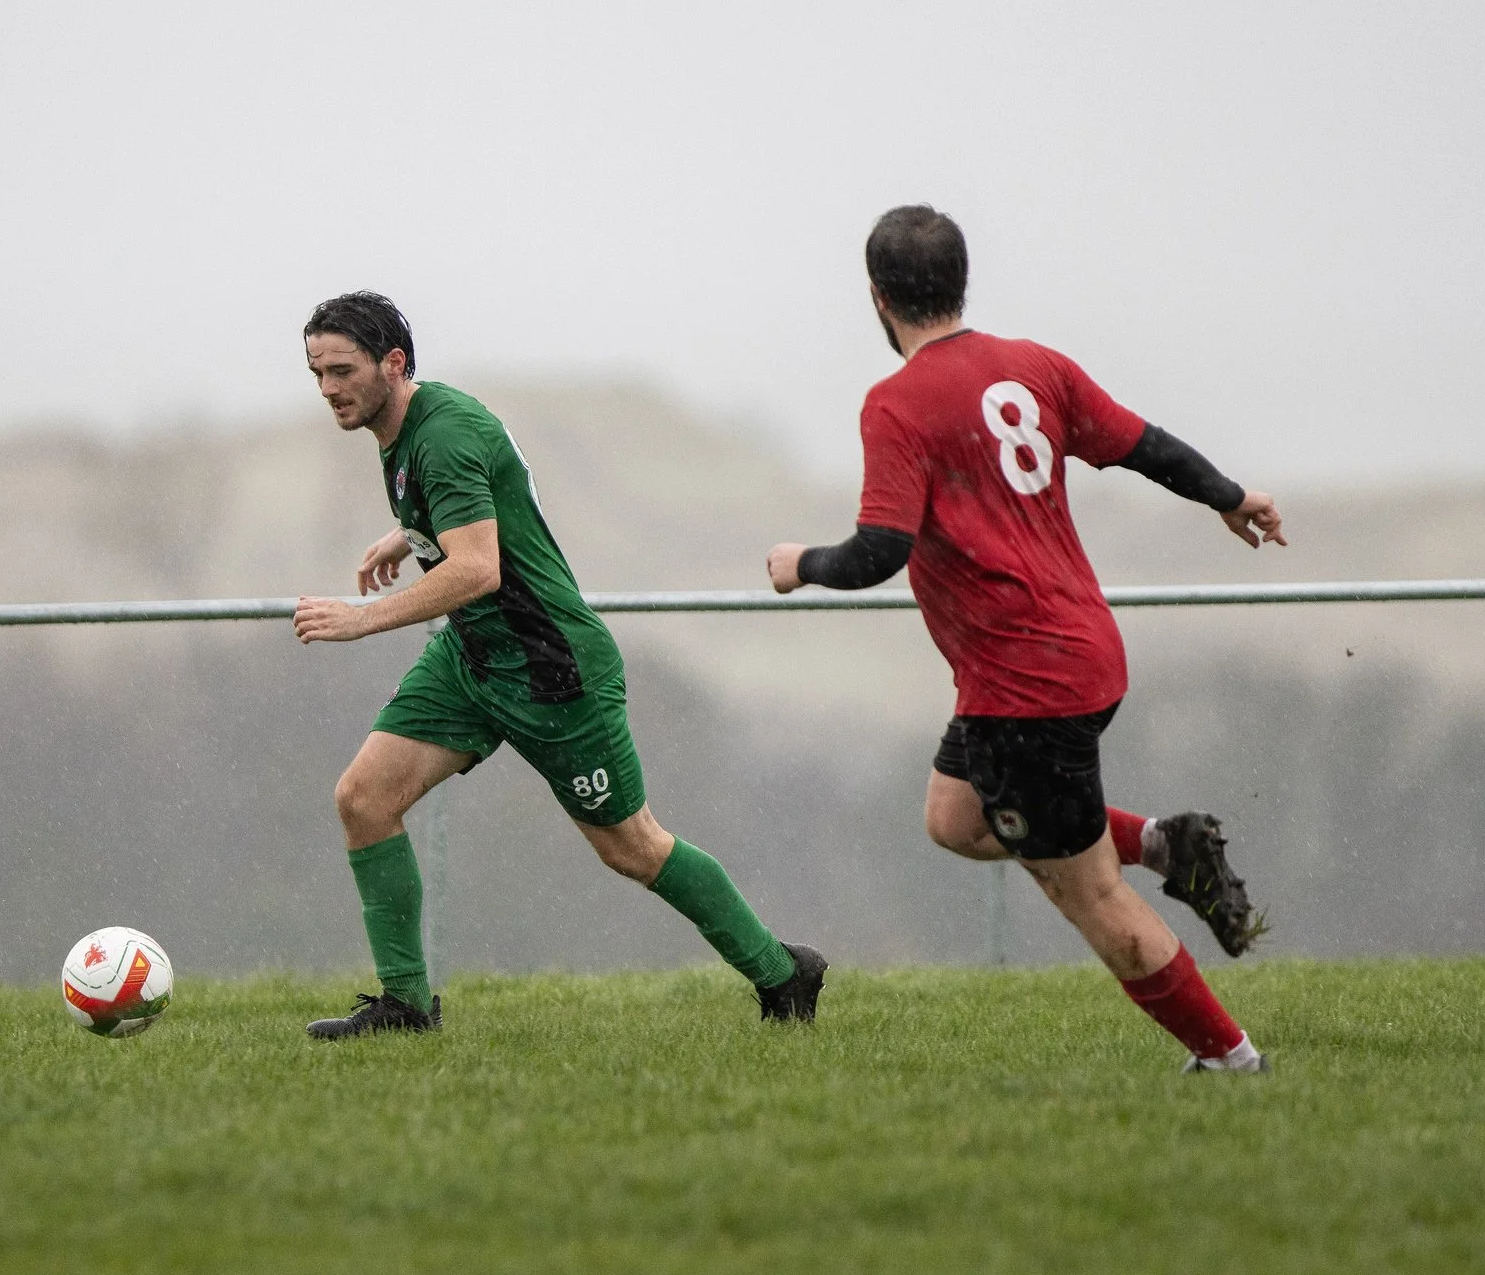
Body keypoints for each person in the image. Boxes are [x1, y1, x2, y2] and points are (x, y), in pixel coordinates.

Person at [764, 206, 1283, 1074]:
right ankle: (1165, 844)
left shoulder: (896, 403)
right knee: (956, 817)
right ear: (961, 282)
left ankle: (1230, 1059)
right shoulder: (1033, 367)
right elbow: (1143, 445)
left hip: (1026, 686)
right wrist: (1230, 495)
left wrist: (800, 564)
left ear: (877, 296)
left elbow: (878, 551)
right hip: (1076, 654)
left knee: (1090, 896)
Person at [293, 290, 824, 1038]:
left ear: (394, 362)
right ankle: (406, 1008)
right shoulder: (408, 423)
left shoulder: (443, 434)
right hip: (472, 659)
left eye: (341, 370)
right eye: (316, 373)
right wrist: (406, 533)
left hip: (551, 669)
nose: (328, 390)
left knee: (632, 848)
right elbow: (473, 509)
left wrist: (360, 621)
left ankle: (783, 973)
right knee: (363, 800)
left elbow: (477, 569)